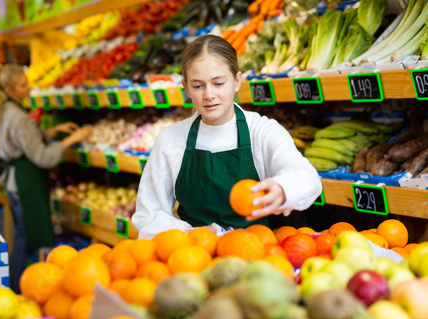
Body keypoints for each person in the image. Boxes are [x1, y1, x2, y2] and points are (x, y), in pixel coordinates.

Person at [132, 35, 322, 239]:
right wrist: (189, 233)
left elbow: (308, 177)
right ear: (186, 88)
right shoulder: (171, 140)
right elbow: (148, 214)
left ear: (237, 81)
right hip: (195, 254)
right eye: (198, 86)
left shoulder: (261, 131)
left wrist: (283, 188)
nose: (209, 95)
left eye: (218, 83)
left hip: (257, 252)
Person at [0, 64, 91, 293]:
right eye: (24, 85)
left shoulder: (5, 109)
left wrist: (54, 131)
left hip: (14, 180)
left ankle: (14, 287)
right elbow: (42, 157)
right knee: (26, 239)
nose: (29, 87)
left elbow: (27, 139)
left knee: (21, 235)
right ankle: (15, 289)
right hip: (26, 183)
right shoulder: (20, 117)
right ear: (11, 90)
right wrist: (70, 140)